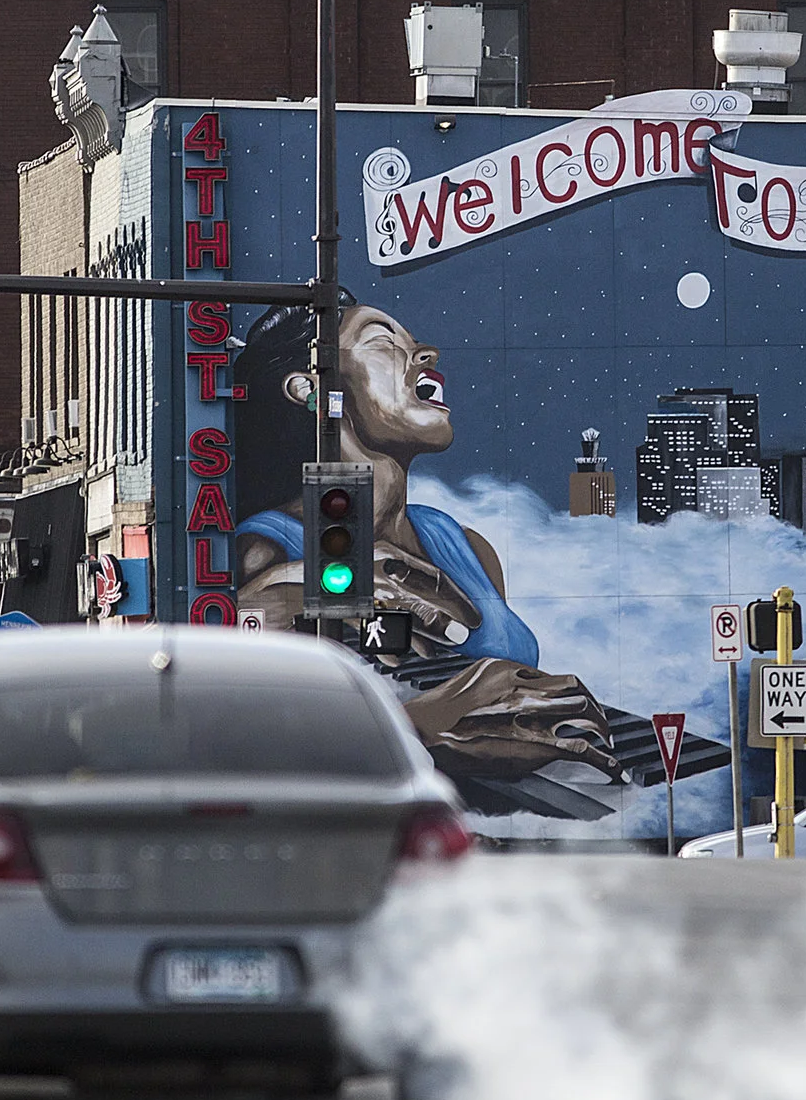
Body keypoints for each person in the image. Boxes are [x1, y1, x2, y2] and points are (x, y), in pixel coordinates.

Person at [232, 297, 618, 783]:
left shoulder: (464, 546)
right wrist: (417, 731)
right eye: (383, 343)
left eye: (416, 345)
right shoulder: (265, 551)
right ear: (312, 388)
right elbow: (254, 734)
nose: (425, 355)